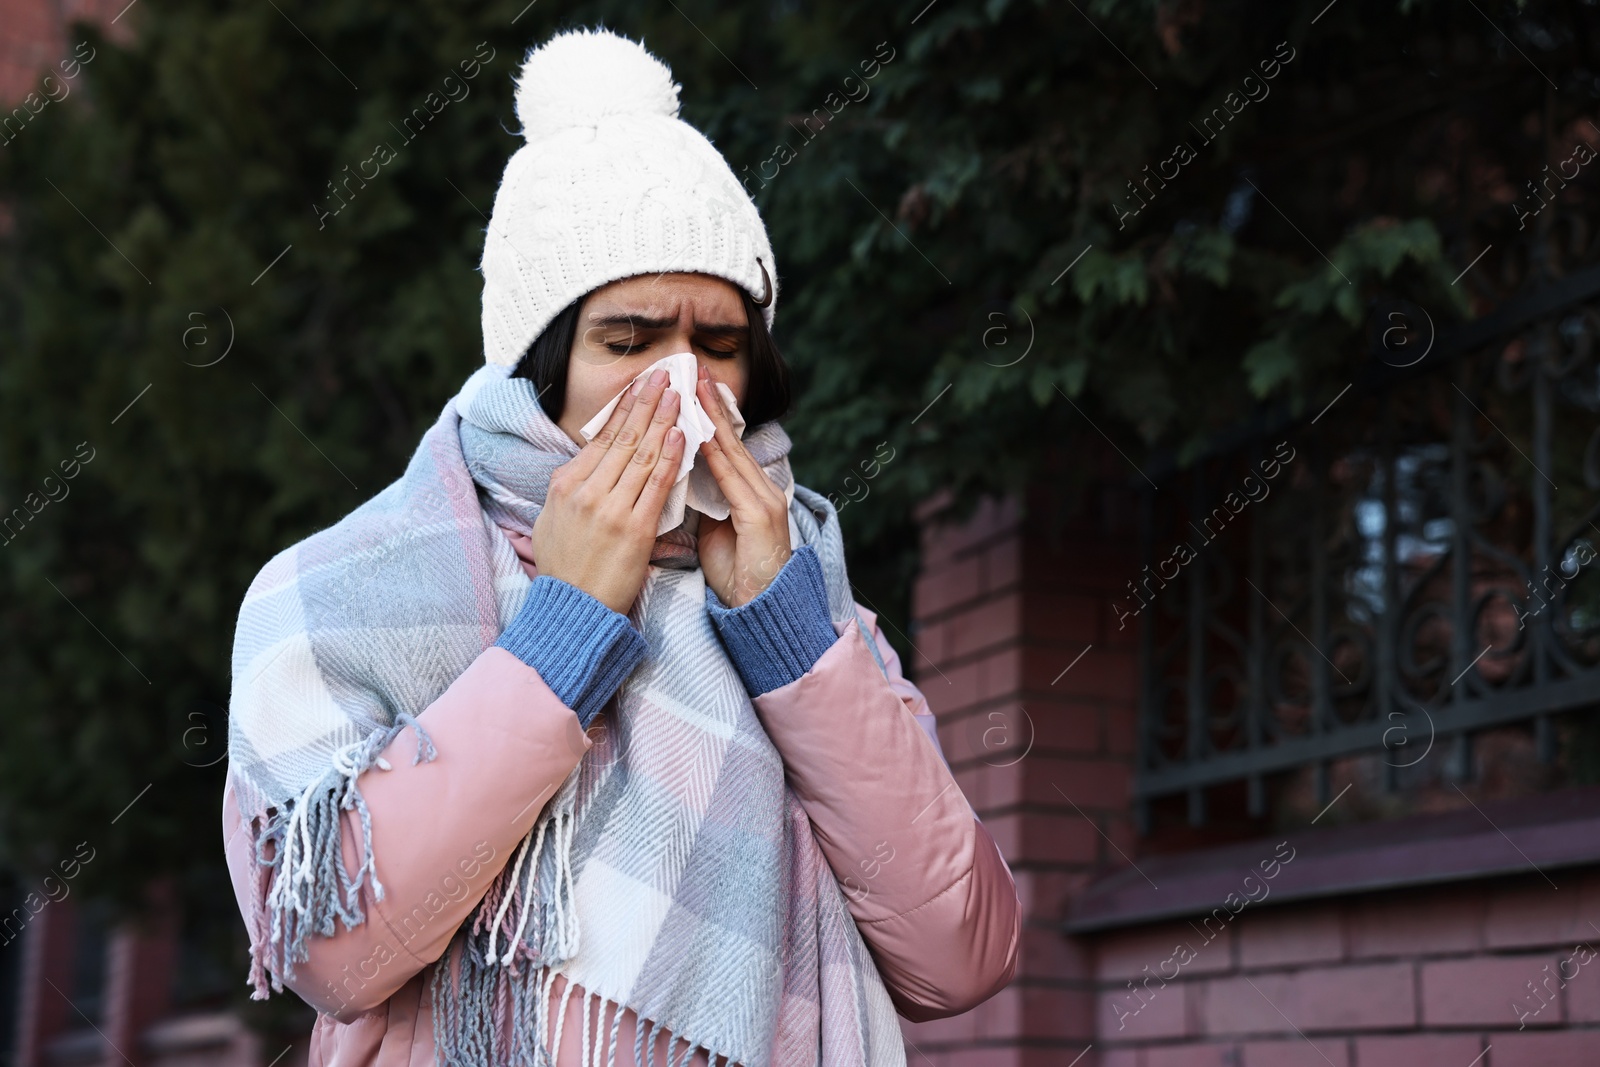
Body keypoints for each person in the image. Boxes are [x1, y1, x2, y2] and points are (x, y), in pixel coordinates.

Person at [222, 27, 1018, 1067]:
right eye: (629, 341)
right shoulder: (334, 590)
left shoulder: (806, 603)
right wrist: (561, 634)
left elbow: (961, 955)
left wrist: (785, 638)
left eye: (720, 346)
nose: (681, 387)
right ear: (539, 361)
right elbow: (337, 947)